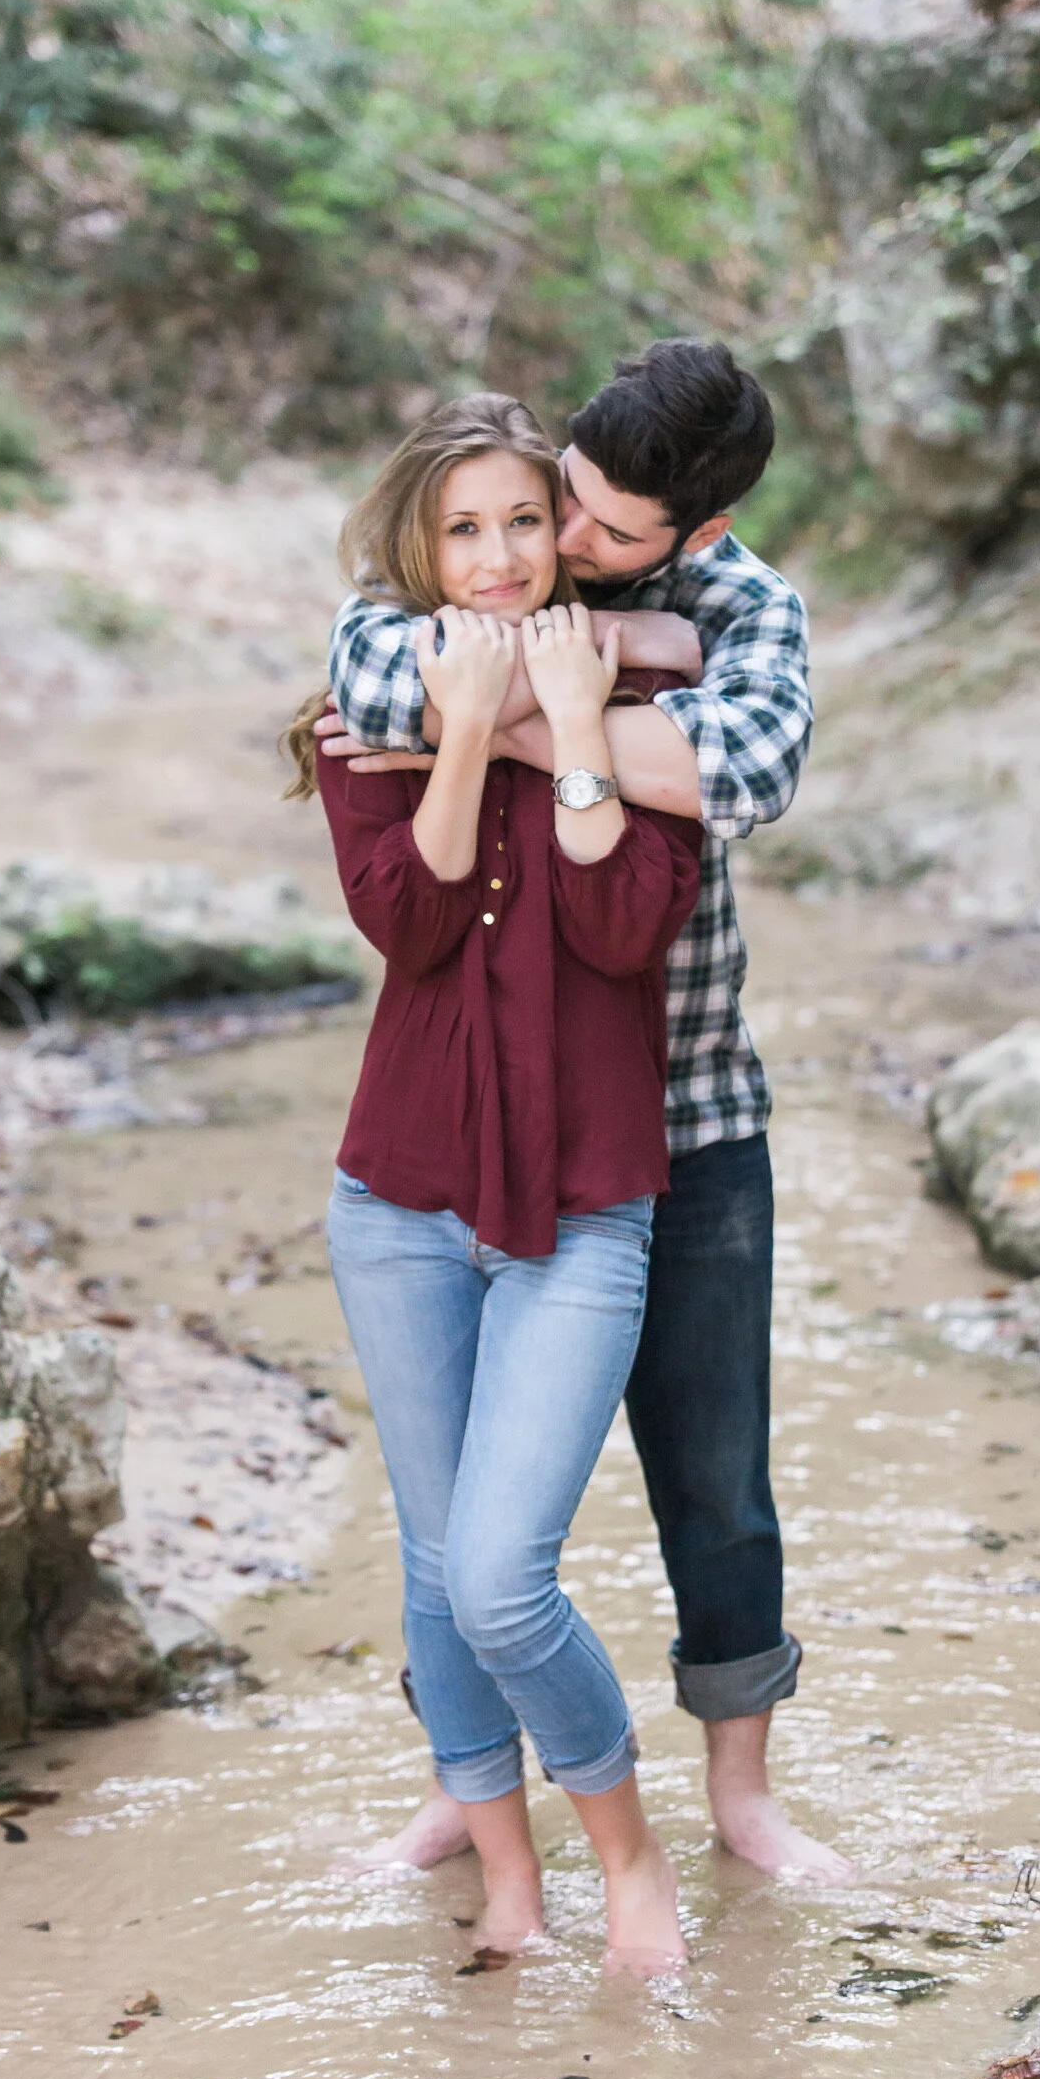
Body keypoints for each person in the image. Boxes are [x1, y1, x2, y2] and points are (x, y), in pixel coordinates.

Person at [319, 339, 852, 1885]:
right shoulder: (502, 545)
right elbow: (359, 674)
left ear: (690, 538)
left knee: (713, 1471)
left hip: (686, 1103)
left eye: (609, 536)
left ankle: (740, 1793)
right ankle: (469, 1779)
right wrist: (596, 688)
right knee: (454, 1513)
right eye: (567, 503)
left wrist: (525, 709)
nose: (568, 541)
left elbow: (743, 774)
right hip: (490, 1119)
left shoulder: (746, 610)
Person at [286, 391, 703, 1971]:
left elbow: (618, 933)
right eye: (463, 528)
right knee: (435, 1562)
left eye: (524, 520)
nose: (499, 554)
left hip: (584, 1204)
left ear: (561, 532)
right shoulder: (370, 705)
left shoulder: (650, 704)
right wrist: (464, 726)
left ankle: (633, 1857)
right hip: (399, 1199)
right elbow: (406, 917)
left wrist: (577, 729)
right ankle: (509, 1882)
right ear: (420, 545)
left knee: (504, 1577)